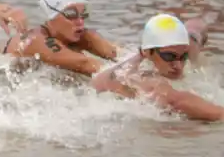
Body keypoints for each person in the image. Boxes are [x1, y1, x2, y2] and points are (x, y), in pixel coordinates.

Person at [94, 14, 224, 121]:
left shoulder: (183, 46)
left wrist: (208, 19)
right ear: (147, 52)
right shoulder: (139, 77)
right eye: (169, 57)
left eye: (183, 56)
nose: (178, 65)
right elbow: (178, 101)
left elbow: (195, 27)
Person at [2, 0, 117, 77]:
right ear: (52, 16)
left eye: (83, 14)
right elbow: (84, 64)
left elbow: (119, 55)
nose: (80, 21)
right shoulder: (37, 40)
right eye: (71, 14)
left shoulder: (80, 35)